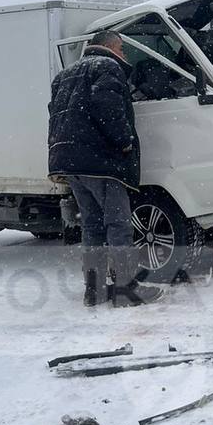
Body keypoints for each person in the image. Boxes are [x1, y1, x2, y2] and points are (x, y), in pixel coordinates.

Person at [48, 31, 161, 307]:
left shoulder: (65, 74)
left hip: (70, 161)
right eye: (122, 48)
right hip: (101, 162)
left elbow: (55, 113)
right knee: (118, 224)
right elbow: (107, 106)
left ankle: (94, 289)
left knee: (93, 226)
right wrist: (124, 140)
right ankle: (125, 288)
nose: (124, 55)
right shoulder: (107, 66)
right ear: (111, 46)